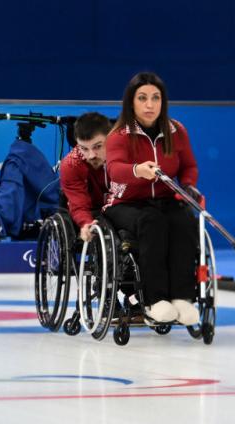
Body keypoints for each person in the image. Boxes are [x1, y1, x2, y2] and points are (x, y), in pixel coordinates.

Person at [104, 72, 201, 325]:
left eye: (156, 98)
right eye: (143, 98)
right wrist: (137, 170)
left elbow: (189, 166)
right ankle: (153, 301)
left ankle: (182, 298)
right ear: (131, 102)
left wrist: (189, 186)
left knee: (184, 221)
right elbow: (114, 169)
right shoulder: (119, 135)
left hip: (166, 200)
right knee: (152, 221)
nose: (150, 105)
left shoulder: (177, 131)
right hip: (126, 203)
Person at [59, 112, 111, 241]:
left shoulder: (123, 154)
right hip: (90, 211)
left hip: (118, 208)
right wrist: (86, 223)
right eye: (84, 148)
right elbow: (79, 204)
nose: (91, 155)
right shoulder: (71, 165)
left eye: (98, 146)